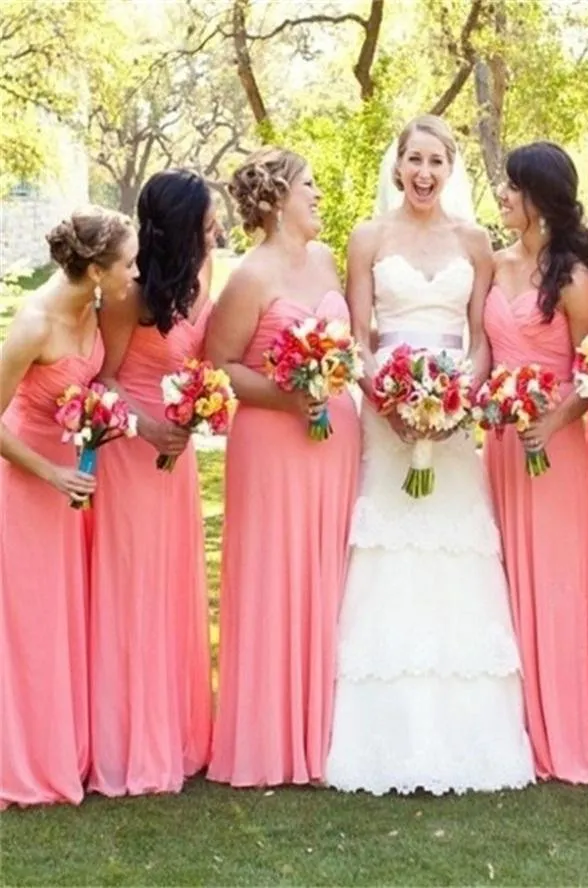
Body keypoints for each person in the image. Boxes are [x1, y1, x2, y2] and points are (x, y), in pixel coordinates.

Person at [325, 115, 535, 795]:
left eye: (435, 162)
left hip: (453, 417)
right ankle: (379, 731)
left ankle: (466, 731)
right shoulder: (368, 237)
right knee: (389, 548)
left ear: (451, 169)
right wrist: (385, 397)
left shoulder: (476, 242)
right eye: (413, 160)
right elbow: (359, 333)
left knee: (451, 548)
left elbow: (480, 337)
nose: (423, 173)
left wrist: (458, 399)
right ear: (397, 166)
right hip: (385, 410)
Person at [206, 148, 361, 787]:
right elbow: (219, 365)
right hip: (273, 442)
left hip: (334, 442)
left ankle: (327, 733)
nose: (319, 195)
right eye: (309, 186)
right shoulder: (251, 275)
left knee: (329, 576)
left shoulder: (326, 260)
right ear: (274, 201)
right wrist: (289, 394)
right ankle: (271, 738)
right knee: (277, 577)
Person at [0, 207, 137, 807]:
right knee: (31, 628)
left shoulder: (98, 306)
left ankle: (68, 752)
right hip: (28, 483)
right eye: (129, 263)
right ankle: (25, 761)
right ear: (98, 269)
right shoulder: (34, 324)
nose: (137, 272)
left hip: (72, 485)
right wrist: (52, 471)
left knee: (65, 619)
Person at [89, 170, 217, 796]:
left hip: (179, 457)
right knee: (134, 588)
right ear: (180, 224)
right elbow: (101, 379)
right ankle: (129, 743)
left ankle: (177, 732)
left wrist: (197, 412)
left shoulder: (200, 281)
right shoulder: (127, 298)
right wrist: (144, 428)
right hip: (130, 457)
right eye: (206, 220)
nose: (213, 229)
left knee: (172, 586)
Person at [485, 141, 588, 783]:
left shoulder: (576, 279)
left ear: (539, 199)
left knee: (555, 586)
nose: (502, 195)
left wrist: (551, 423)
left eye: (511, 186)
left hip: (552, 452)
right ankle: (509, 725)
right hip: (500, 448)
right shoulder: (495, 262)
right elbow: (485, 349)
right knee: (500, 579)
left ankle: (559, 726)